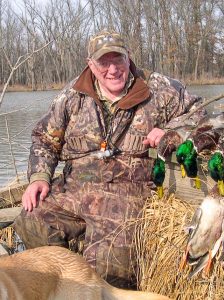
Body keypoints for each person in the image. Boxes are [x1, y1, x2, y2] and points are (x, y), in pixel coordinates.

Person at [13, 29, 204, 288]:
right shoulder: (72, 95)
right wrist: (39, 177)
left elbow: (203, 117)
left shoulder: (159, 89)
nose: (112, 69)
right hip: (75, 189)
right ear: (90, 64)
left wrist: (173, 132)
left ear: (129, 58)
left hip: (127, 194)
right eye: (104, 62)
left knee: (109, 267)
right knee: (30, 221)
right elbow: (45, 140)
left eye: (118, 60)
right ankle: (65, 284)